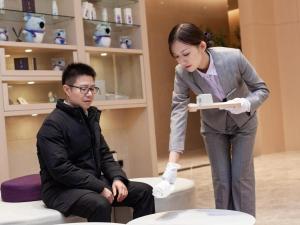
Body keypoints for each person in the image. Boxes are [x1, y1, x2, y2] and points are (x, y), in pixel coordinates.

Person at [154, 23, 269, 217]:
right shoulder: (182, 73)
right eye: (177, 56)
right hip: (213, 127)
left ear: (201, 46)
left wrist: (247, 103)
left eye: (186, 53)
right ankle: (225, 221)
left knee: (241, 178)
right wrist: (172, 165)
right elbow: (178, 112)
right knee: (221, 181)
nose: (182, 61)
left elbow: (262, 90)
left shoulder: (233, 57)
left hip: (244, 124)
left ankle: (246, 221)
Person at [37, 63, 155, 222]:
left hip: (91, 182)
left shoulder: (90, 118)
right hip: (61, 189)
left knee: (144, 192)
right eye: (83, 88)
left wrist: (117, 178)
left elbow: (105, 154)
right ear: (67, 89)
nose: (89, 94)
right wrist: (99, 187)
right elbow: (61, 169)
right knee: (99, 203)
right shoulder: (53, 125)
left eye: (92, 88)